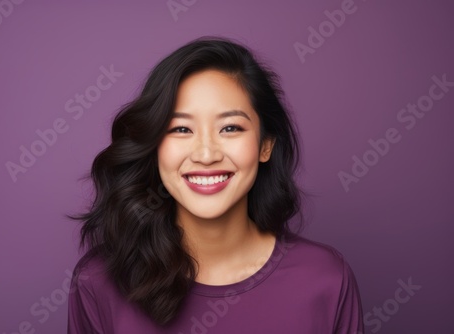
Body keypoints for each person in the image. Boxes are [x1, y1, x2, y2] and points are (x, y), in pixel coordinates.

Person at [67, 36, 364, 333]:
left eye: (230, 128)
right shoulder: (98, 282)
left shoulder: (325, 278)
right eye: (181, 129)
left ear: (266, 145)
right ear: (154, 145)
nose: (206, 155)